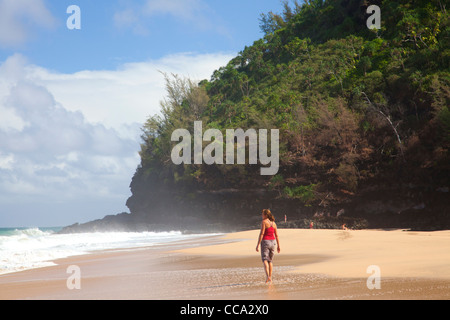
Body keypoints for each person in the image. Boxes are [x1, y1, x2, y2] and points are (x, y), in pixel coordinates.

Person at [255, 209, 280, 284]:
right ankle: (270, 277)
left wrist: (258, 244)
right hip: (273, 242)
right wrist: (279, 245)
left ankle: (267, 277)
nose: (261, 215)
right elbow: (277, 235)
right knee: (270, 261)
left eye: (262, 214)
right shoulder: (273, 223)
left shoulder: (264, 222)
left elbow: (262, 234)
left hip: (266, 242)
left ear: (265, 215)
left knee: (265, 260)